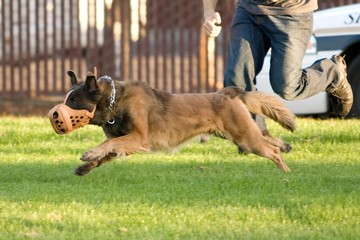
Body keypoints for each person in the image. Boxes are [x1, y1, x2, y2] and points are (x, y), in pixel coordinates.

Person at [202, 0, 353, 135]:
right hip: (249, 10)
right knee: (236, 79)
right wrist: (209, 13)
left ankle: (331, 73)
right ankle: (256, 137)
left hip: (292, 12)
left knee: (287, 86)